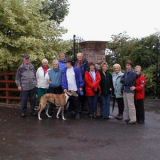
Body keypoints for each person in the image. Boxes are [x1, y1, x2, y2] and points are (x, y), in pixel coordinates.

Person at [121, 60, 137, 124]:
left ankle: (133, 119)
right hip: (125, 90)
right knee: (126, 105)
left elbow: (128, 81)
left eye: (129, 65)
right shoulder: (125, 72)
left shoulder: (133, 73)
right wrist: (124, 80)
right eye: (127, 65)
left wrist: (124, 80)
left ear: (131, 66)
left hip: (130, 91)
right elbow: (121, 80)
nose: (127, 66)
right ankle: (127, 118)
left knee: (131, 106)